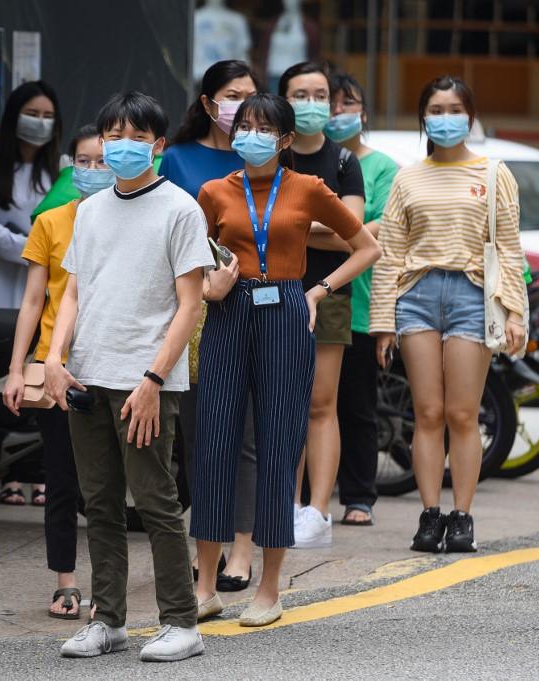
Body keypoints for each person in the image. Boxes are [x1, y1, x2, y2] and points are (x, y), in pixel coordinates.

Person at [190, 93, 379, 625]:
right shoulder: (211, 192)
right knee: (214, 444)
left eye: (264, 128)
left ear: (285, 140)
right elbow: (187, 260)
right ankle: (205, 584)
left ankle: (269, 590)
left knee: (278, 445)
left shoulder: (309, 188)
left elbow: (366, 247)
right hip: (229, 312)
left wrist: (318, 292)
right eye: (243, 125)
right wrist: (210, 284)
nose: (250, 135)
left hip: (288, 312)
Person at [44, 91, 212, 662]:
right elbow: (73, 289)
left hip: (146, 381)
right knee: (99, 503)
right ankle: (108, 620)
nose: (120, 148)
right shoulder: (89, 210)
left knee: (157, 501)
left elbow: (190, 306)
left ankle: (181, 623)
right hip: (88, 376)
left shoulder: (180, 209)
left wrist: (153, 379)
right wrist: (53, 355)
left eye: (135, 138)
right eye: (112, 136)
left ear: (158, 146)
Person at [371, 75, 526, 553]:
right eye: (435, 110)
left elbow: (510, 248)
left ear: (470, 116)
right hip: (416, 295)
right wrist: (381, 323)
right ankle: (429, 514)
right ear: (423, 118)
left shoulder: (494, 172)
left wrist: (516, 313)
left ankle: (462, 517)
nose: (444, 118)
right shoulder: (407, 177)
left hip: (471, 296)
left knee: (461, 413)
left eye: (454, 109)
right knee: (428, 412)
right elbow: (390, 251)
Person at [2, 124, 115, 620]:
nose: (91, 171)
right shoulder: (50, 221)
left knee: (109, 485)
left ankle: (109, 588)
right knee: (63, 480)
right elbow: (31, 301)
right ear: (70, 165)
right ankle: (66, 583)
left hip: (113, 364)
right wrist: (15, 368)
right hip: (56, 369)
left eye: (101, 161)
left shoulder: (127, 220)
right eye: (82, 162)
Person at [160, 59, 258, 592]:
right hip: (196, 311)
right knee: (199, 440)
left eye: (250, 96)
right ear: (206, 104)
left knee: (244, 437)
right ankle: (208, 550)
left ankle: (242, 551)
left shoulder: (267, 158)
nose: (240, 107)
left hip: (257, 307)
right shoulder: (176, 160)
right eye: (230, 96)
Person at [277, 62, 366, 549]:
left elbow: (351, 233)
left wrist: (293, 225)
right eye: (299, 93)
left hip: (328, 291)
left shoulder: (344, 161)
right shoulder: (274, 154)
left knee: (320, 404)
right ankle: (284, 505)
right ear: (282, 99)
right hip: (271, 293)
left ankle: (318, 510)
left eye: (318, 94)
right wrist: (321, 228)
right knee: (282, 403)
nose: (309, 102)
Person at [0, 80, 62, 505]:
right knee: (4, 382)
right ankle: (4, 472)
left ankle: (40, 473)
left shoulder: (61, 169)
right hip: (5, 288)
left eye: (48, 116)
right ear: (14, 117)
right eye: (33, 114)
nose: (40, 124)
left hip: (46, 290)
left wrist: (37, 252)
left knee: (40, 378)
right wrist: (33, 251)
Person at [326, 73, 400, 526]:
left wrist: (322, 235)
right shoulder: (303, 158)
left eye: (346, 104)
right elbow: (359, 232)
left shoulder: (383, 168)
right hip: (314, 298)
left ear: (363, 113)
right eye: (329, 104)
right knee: (310, 404)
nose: (337, 113)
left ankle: (358, 496)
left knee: (356, 405)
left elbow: (380, 232)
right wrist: (350, 235)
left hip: (361, 298)